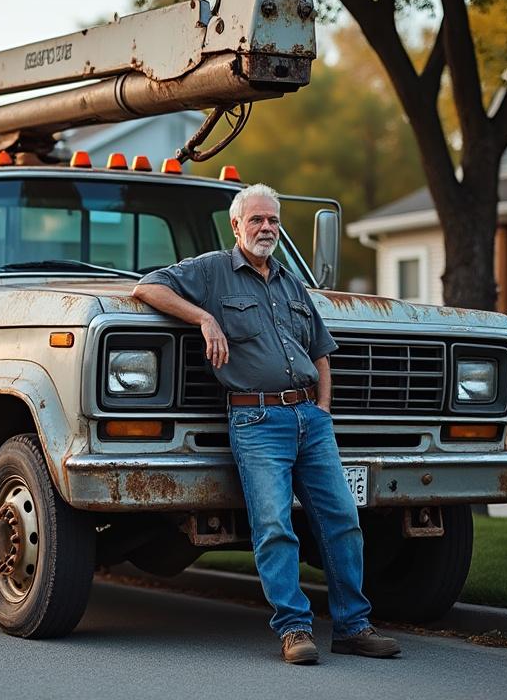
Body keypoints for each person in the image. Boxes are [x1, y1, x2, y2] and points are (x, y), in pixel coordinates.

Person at [132, 183, 400, 665]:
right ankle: (294, 629)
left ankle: (353, 625)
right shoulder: (212, 271)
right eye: (256, 220)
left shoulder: (291, 281)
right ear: (236, 226)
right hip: (255, 418)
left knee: (342, 521)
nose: (266, 228)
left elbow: (320, 350)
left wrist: (323, 409)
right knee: (275, 525)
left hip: (310, 420)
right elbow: (147, 287)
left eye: (273, 221)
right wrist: (203, 320)